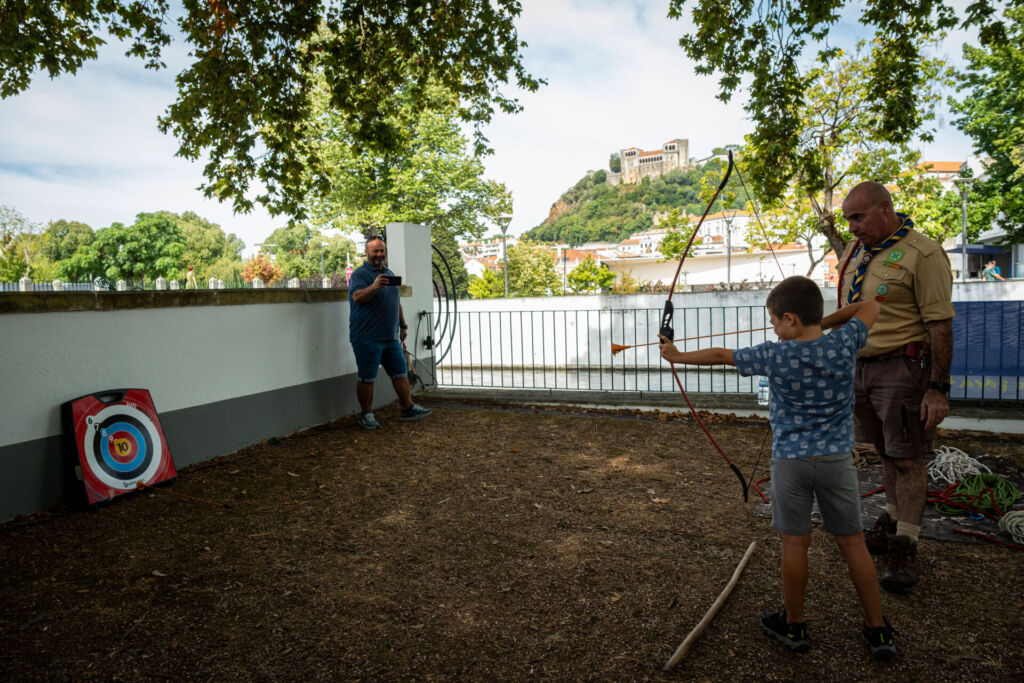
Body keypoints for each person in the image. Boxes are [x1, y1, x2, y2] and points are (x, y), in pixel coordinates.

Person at [659, 276, 896, 660]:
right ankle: (878, 629)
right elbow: (871, 307)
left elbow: (720, 355)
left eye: (774, 321)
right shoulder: (844, 342)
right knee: (853, 543)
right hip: (837, 461)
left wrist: (677, 356)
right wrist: (822, 322)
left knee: (795, 543)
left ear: (790, 319)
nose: (772, 329)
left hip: (790, 462)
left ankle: (795, 624)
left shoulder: (775, 355)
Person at [833, 181, 955, 594]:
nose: (852, 227)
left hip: (903, 369)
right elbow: (849, 308)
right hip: (861, 368)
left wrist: (937, 388)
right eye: (848, 219)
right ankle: (892, 519)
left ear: (885, 209)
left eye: (858, 217)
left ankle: (906, 545)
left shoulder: (923, 253)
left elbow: (940, 325)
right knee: (885, 450)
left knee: (907, 458)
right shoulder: (856, 252)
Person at [348, 236, 431, 430]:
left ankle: (408, 408)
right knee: (367, 377)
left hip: (390, 337)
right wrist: (374, 286)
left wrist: (403, 325)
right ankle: (366, 415)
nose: (379, 254)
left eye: (382, 251)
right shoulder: (360, 275)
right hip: (366, 337)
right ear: (366, 252)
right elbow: (357, 297)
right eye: (375, 251)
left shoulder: (389, 273)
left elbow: (395, 301)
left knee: (400, 373)